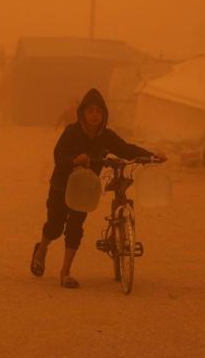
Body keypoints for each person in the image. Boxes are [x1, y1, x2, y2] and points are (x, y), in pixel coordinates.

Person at [30, 88, 166, 289]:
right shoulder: (71, 132)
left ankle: (65, 272)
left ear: (104, 115)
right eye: (90, 111)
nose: (94, 115)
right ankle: (42, 248)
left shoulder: (107, 136)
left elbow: (125, 149)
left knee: (75, 227)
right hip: (61, 186)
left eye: (99, 112)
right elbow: (59, 156)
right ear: (82, 113)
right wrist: (75, 159)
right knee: (55, 227)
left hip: (85, 188)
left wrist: (152, 156)